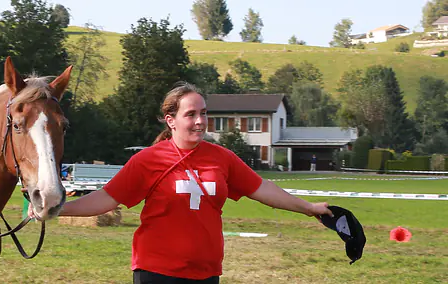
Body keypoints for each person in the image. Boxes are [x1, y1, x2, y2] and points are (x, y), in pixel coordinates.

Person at [55, 82, 332, 283]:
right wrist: (59, 208)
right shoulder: (147, 160)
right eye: (191, 114)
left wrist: (308, 207)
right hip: (157, 272)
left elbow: (263, 189)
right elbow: (108, 197)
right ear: (171, 120)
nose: (200, 121)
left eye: (204, 113)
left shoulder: (222, 158)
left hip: (207, 272)